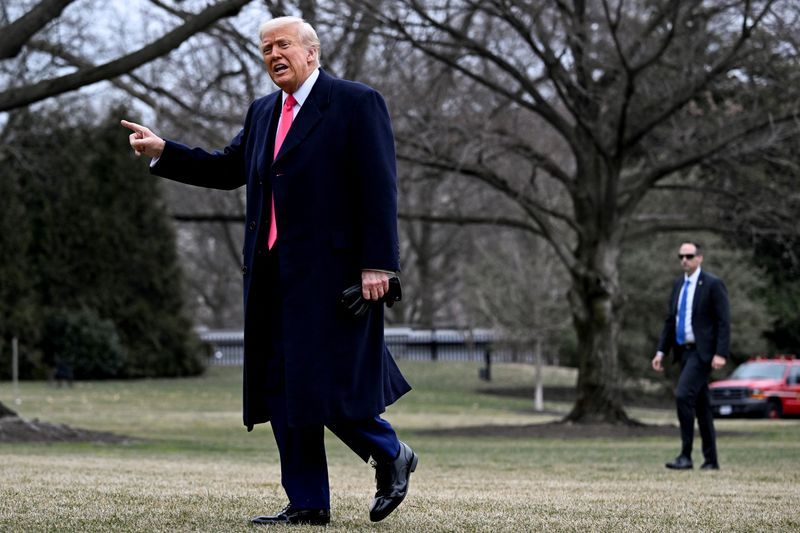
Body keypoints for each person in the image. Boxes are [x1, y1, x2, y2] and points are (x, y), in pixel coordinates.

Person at [121, 16, 416, 526]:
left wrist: (379, 264)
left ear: (311, 52)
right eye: (265, 49)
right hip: (270, 277)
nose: (273, 55)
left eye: (282, 45)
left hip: (337, 280)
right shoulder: (262, 112)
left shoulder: (355, 102)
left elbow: (378, 186)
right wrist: (164, 152)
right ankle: (306, 502)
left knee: (330, 386)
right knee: (282, 387)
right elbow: (226, 168)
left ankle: (390, 452)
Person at [652, 241, 729, 471]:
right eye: (681, 256)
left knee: (683, 395)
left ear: (700, 258)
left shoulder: (713, 284)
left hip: (702, 353)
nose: (684, 260)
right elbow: (670, 320)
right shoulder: (678, 285)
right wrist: (661, 351)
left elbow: (724, 321)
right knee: (702, 405)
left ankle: (685, 455)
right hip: (683, 352)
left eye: (689, 255)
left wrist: (721, 353)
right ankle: (711, 460)